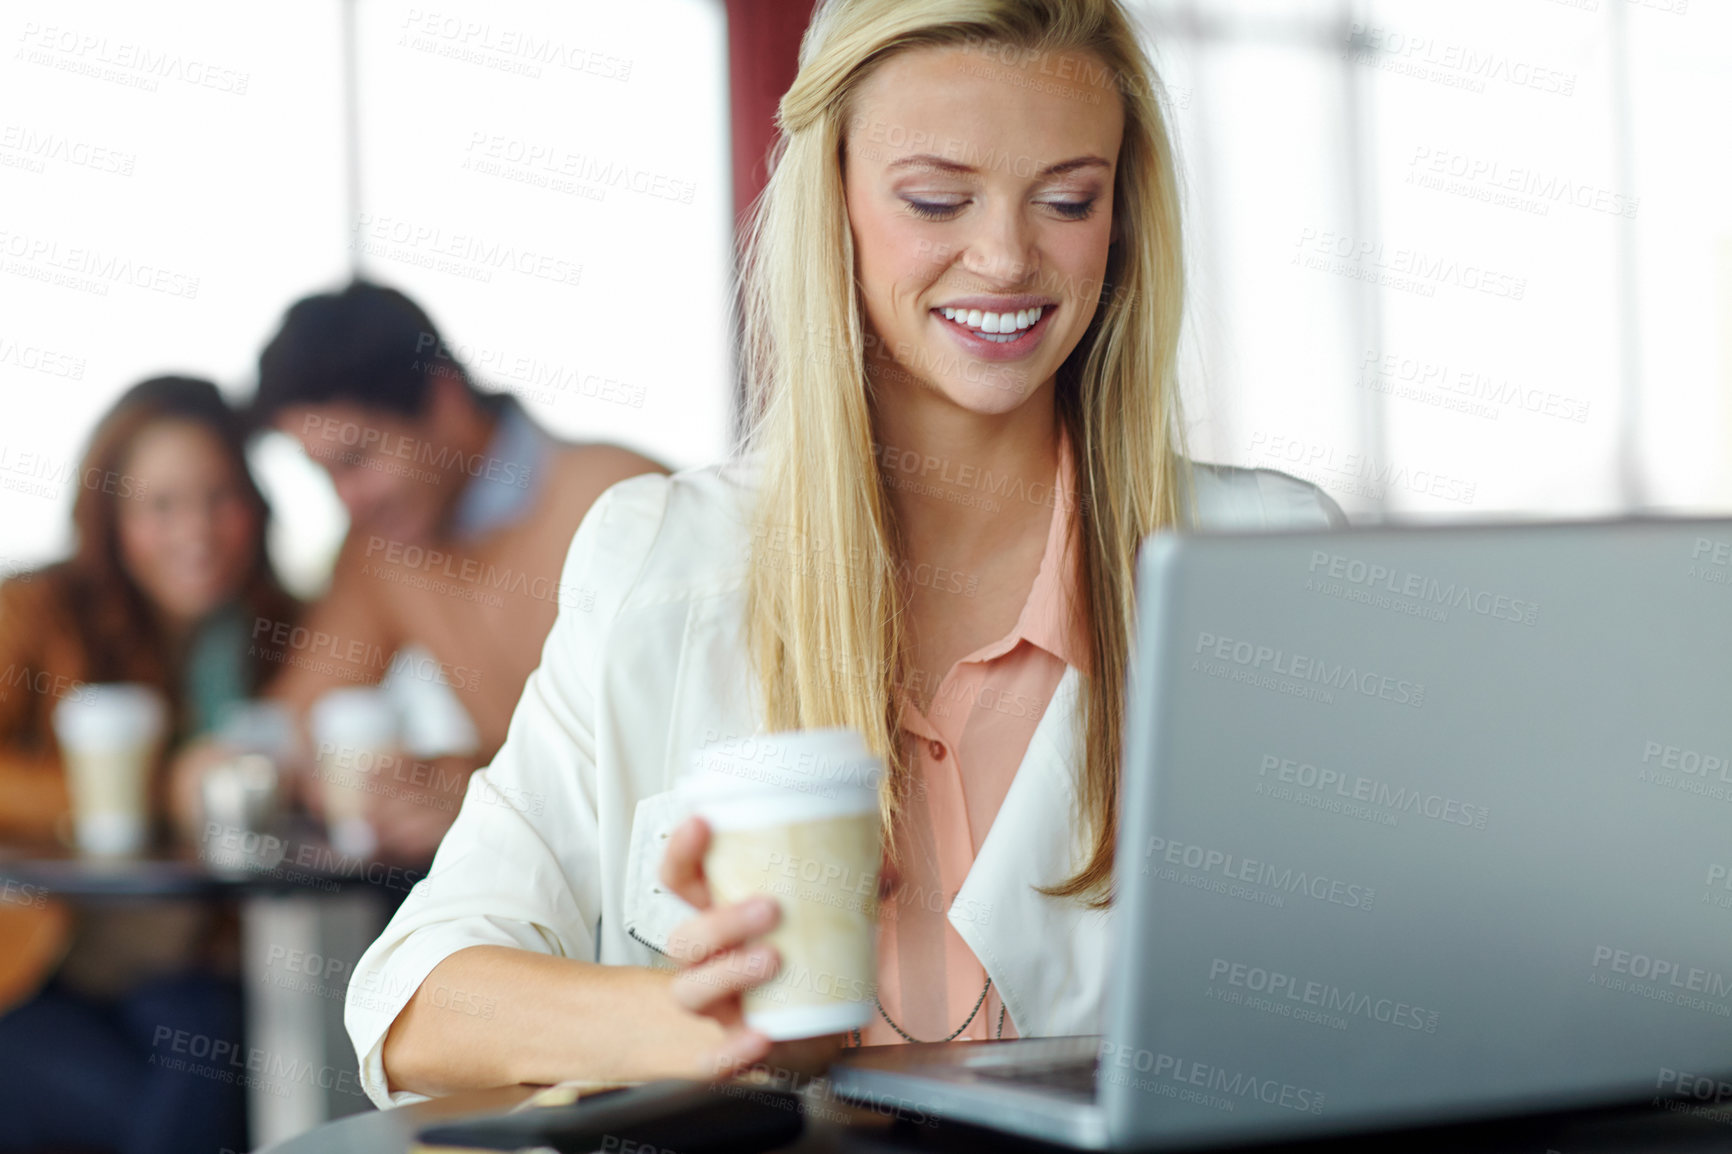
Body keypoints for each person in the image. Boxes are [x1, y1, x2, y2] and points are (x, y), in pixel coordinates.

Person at [344, 0, 1346, 1106]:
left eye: (1068, 199)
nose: (1007, 255)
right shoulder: (661, 559)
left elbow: (1404, 972)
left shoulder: (1261, 564)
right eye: (935, 198)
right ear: (834, 206)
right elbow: (414, 998)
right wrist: (701, 1023)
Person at [176, 281, 668, 860]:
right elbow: (291, 726)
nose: (348, 501)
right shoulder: (381, 551)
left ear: (445, 397)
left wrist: (486, 792)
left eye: (358, 457)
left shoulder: (621, 501)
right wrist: (215, 774)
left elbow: (672, 753)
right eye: (323, 474)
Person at [0, 376, 299, 1153]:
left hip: (194, 973)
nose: (196, 531)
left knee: (221, 1050)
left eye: (220, 498)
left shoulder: (283, 632)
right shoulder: (37, 611)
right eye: (160, 506)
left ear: (256, 507)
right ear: (111, 517)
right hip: (37, 974)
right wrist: (140, 794)